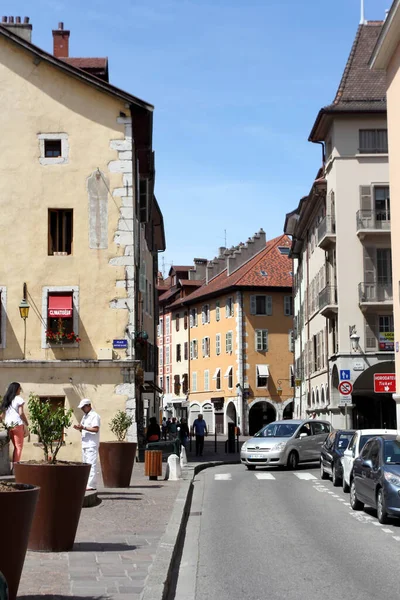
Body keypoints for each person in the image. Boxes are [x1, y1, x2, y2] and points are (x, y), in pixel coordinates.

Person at [73, 399, 100, 491]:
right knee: (86, 464)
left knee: (91, 464)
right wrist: (79, 428)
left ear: (88, 405)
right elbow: (83, 427)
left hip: (91, 443)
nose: (82, 409)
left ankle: (92, 484)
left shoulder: (94, 416)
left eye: (83, 407)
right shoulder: (85, 416)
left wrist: (84, 427)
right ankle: (87, 483)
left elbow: (96, 429)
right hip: (85, 443)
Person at [1, 382, 28, 467]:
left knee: (8, 447)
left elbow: (2, 416)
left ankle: (12, 466)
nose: (20, 390)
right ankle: (16, 468)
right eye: (20, 388)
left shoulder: (6, 400)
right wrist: (26, 422)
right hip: (17, 425)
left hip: (8, 426)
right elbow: (21, 413)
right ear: (16, 389)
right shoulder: (18, 399)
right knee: (18, 447)